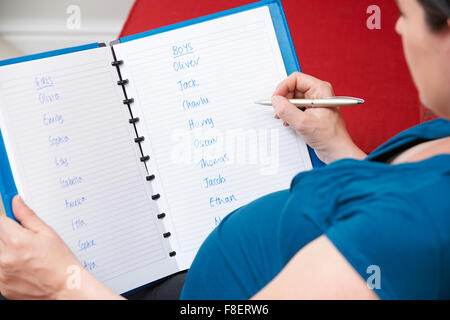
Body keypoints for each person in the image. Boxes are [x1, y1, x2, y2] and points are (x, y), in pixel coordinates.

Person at [0, 0, 449, 300]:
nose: (395, 25)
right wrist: (339, 149)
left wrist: (61, 283)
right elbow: (382, 205)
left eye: (405, 13)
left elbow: (397, 231)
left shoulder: (412, 231)